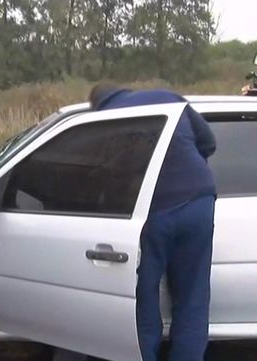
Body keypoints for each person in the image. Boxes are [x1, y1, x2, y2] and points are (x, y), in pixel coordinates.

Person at [89, 83, 217, 361]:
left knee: (142, 297)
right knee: (193, 296)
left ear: (96, 104)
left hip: (151, 211)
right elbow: (209, 142)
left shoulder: (101, 119)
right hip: (198, 201)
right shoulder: (166, 96)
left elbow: (99, 172)